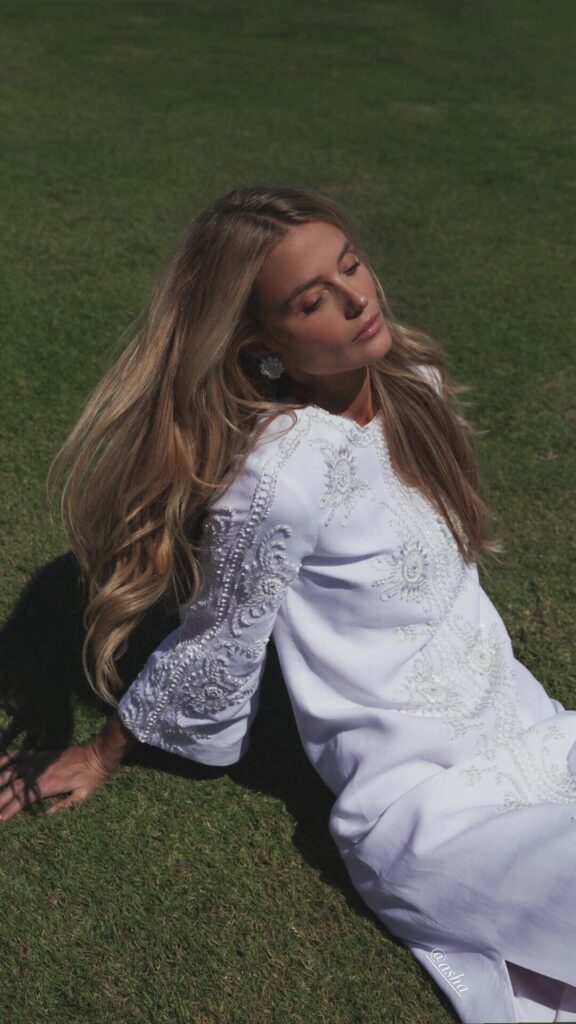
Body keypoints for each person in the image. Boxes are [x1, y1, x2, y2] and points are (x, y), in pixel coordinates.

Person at [0, 184, 575, 1024]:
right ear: (261, 345)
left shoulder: (413, 384)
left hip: (537, 731)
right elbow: (217, 639)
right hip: (427, 807)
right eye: (312, 301)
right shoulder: (279, 481)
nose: (357, 299)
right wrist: (101, 751)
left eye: (352, 267)